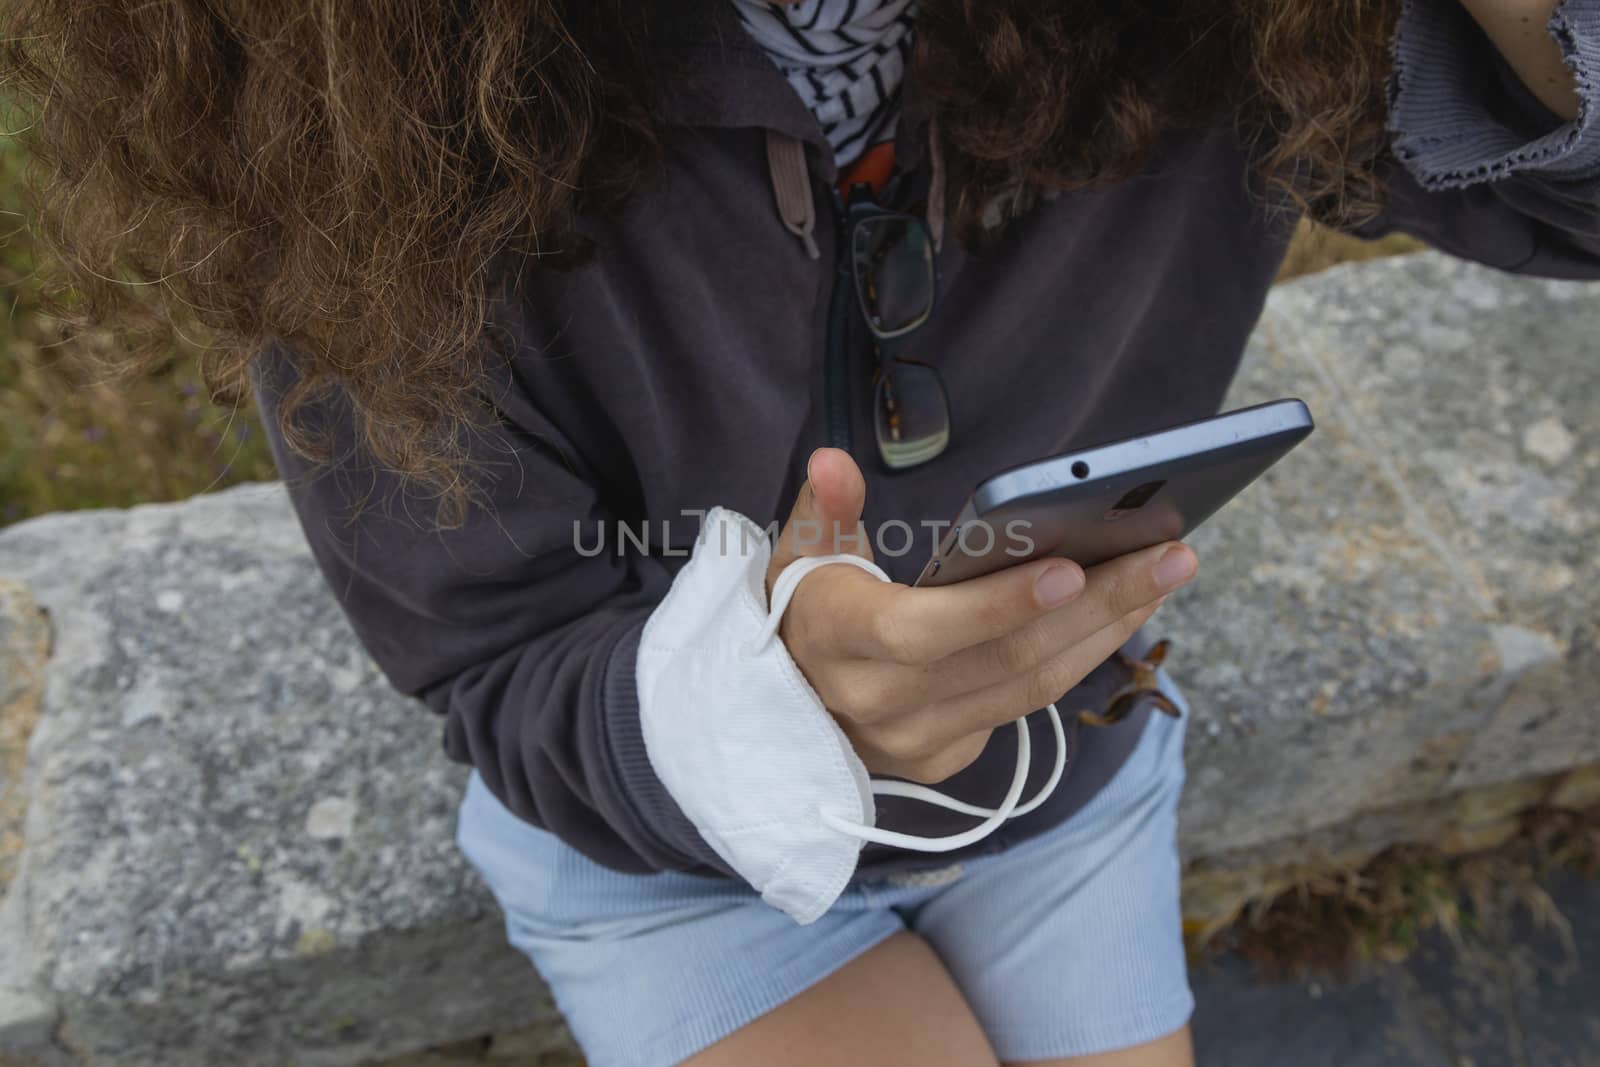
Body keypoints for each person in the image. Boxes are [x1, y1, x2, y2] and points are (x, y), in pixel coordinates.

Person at [6, 0, 1598, 1063]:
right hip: (658, 856)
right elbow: (498, 656)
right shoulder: (329, 89)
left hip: (1068, 778)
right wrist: (764, 711)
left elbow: (1558, 186)